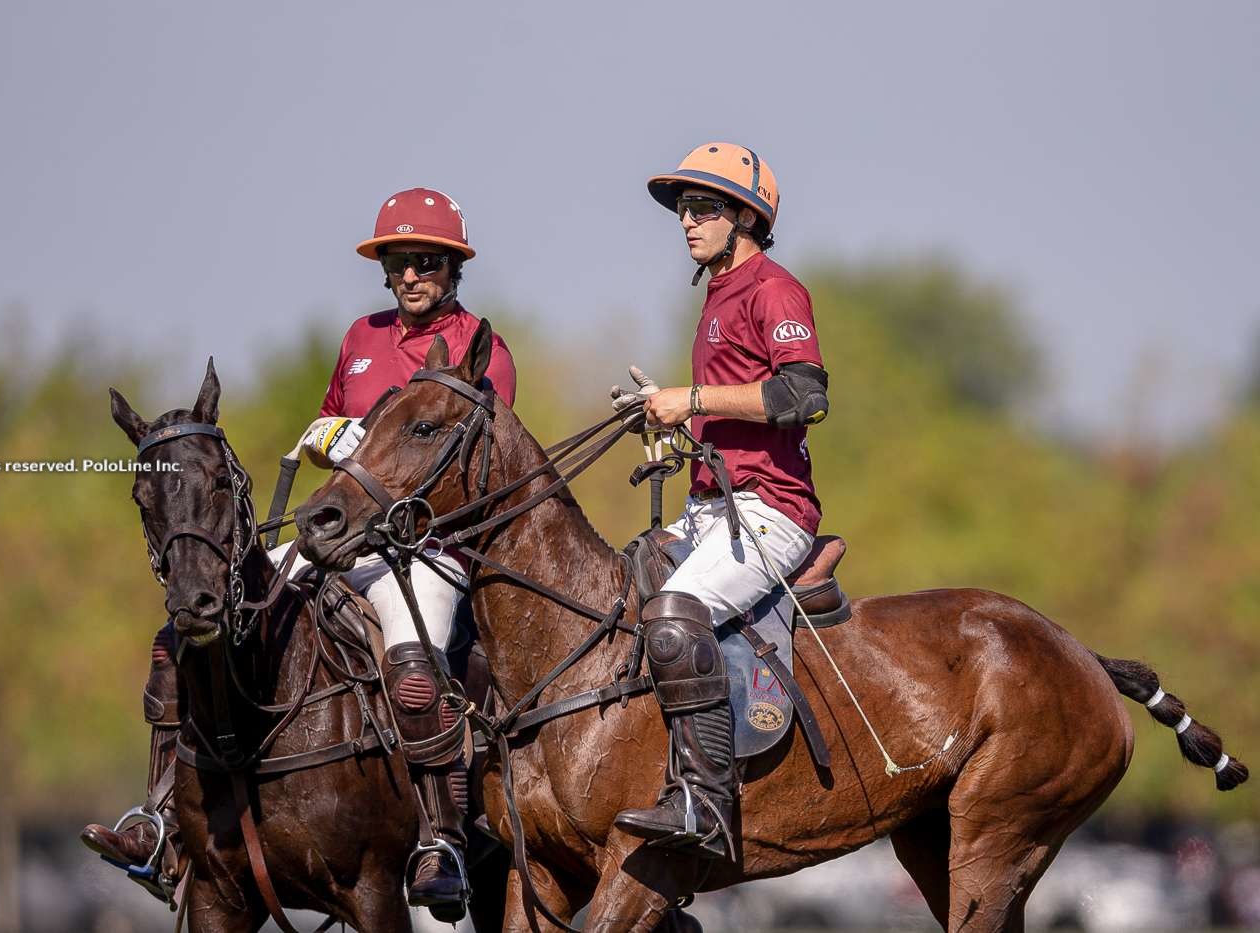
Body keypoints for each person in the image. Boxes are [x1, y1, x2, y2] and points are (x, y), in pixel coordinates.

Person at [83, 188, 516, 919]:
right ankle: (160, 817)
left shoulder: (482, 346)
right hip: (338, 540)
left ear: (451, 267)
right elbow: (324, 424)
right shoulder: (360, 336)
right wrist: (329, 436)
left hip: (426, 551)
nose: (409, 276)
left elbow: (484, 457)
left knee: (413, 670)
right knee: (211, 620)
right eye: (396, 263)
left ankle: (439, 837)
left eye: (424, 262)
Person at [609, 143, 830, 859]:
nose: (686, 221)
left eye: (702, 207)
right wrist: (668, 417)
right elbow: (727, 414)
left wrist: (691, 398)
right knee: (619, 585)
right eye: (682, 208)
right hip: (713, 507)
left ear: (744, 215)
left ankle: (706, 805)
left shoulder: (774, 288)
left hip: (772, 511)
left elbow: (804, 395)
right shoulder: (715, 295)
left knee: (675, 613)